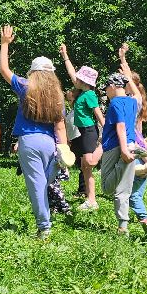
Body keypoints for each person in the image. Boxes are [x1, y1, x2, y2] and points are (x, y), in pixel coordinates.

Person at [0, 25, 71, 239]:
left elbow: (4, 69)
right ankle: (45, 220)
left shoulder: (25, 86)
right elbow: (60, 126)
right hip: (50, 144)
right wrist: (64, 150)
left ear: (33, 72)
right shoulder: (58, 96)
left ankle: (44, 227)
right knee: (44, 182)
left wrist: (4, 44)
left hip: (29, 142)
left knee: (36, 186)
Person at [93, 72, 147, 235]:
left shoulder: (115, 102)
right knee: (124, 190)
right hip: (130, 145)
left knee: (106, 187)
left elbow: (120, 126)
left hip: (115, 147)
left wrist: (124, 151)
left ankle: (124, 161)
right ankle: (122, 226)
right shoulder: (132, 102)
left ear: (112, 86)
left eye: (106, 88)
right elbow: (138, 95)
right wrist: (127, 73)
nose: (106, 91)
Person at [119, 43, 147, 229]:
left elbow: (136, 136)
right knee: (134, 193)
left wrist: (123, 59)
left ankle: (146, 221)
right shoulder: (136, 102)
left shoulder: (131, 103)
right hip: (141, 150)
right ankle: (141, 219)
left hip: (135, 150)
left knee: (132, 195)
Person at [59, 44, 104, 212]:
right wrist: (65, 56)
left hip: (89, 132)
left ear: (84, 81)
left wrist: (107, 132)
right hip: (83, 132)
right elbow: (72, 74)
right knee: (85, 167)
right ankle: (90, 199)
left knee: (89, 163)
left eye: (78, 78)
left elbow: (98, 114)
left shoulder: (90, 95)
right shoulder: (82, 92)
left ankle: (104, 146)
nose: (75, 79)